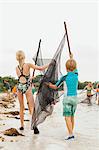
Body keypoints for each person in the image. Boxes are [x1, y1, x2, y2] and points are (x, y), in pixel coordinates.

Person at [16, 50, 48, 133]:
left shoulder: (16, 68)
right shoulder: (28, 65)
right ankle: (35, 126)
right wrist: (50, 64)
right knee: (32, 107)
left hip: (19, 87)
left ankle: (22, 125)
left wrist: (30, 78)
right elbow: (40, 68)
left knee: (21, 107)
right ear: (24, 56)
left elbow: (21, 78)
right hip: (27, 87)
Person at [47, 53, 78, 140]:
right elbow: (75, 68)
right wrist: (72, 58)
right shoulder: (76, 75)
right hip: (75, 99)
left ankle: (71, 134)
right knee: (72, 116)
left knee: (67, 117)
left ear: (66, 68)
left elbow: (55, 86)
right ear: (75, 67)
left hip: (67, 99)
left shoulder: (64, 77)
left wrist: (48, 84)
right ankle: (71, 131)